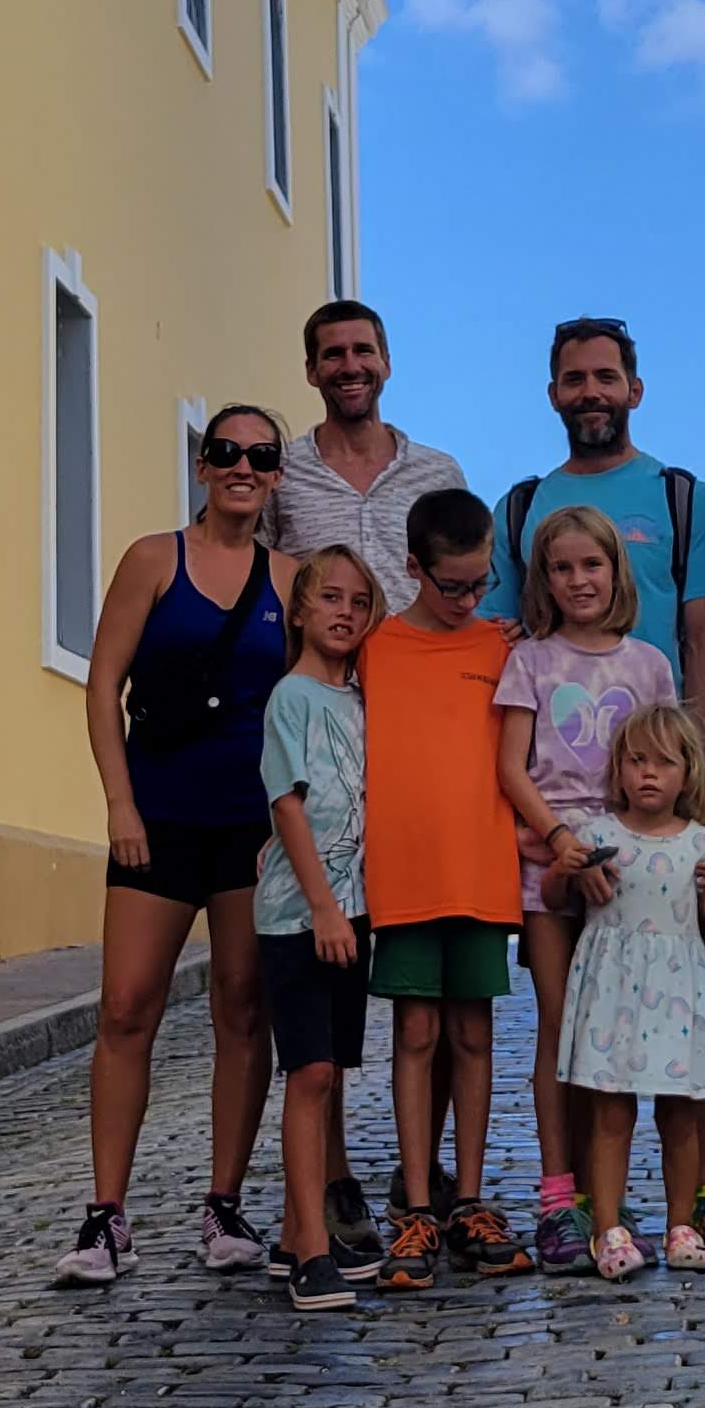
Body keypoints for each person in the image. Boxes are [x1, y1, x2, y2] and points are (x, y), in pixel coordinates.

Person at [65, 404, 292, 1285]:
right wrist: (119, 803)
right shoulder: (153, 560)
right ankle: (105, 1215)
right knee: (127, 1006)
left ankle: (225, 1203)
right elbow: (101, 685)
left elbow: (335, 678)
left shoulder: (292, 577)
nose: (242, 466)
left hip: (253, 826)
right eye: (227, 451)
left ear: (276, 473)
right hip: (156, 816)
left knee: (243, 1007)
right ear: (203, 465)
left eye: (260, 455)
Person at [490, 503, 680, 1277]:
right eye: (562, 568)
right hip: (549, 863)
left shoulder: (649, 666)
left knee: (619, 1034)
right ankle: (557, 1195)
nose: (578, 580)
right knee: (561, 1025)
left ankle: (610, 1195)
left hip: (630, 868)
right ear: (544, 579)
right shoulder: (530, 661)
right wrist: (561, 842)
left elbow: (671, 766)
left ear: (615, 571)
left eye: (591, 565)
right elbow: (510, 766)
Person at [355, 487, 534, 1288]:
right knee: (415, 1036)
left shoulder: (503, 646)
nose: (468, 599)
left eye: (480, 582)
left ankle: (469, 1199)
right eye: (451, 585)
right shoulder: (377, 648)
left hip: (481, 871)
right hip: (403, 875)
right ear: (413, 569)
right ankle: (416, 1206)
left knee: (474, 1037)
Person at [559, 706, 705, 1282]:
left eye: (664, 761)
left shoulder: (701, 842)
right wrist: (565, 871)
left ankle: (680, 1223)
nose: (649, 773)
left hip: (678, 994)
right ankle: (607, 1227)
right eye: (638, 760)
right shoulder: (597, 836)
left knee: (681, 1116)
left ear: (688, 772)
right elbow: (555, 891)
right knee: (611, 1114)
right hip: (615, 994)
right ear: (619, 769)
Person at [253, 545, 387, 1314]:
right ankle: (310, 1253)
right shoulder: (291, 698)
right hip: (299, 916)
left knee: (330, 1071)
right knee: (307, 1074)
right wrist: (324, 907)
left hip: (354, 911)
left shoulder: (363, 699)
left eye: (359, 602)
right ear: (299, 610)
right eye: (330, 598)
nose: (344, 612)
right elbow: (289, 804)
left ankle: (291, 1232)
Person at [485, 319, 705, 733]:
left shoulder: (686, 500)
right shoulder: (518, 509)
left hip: (654, 755)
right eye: (574, 379)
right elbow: (493, 638)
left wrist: (697, 763)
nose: (590, 392)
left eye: (606, 377)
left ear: (634, 391)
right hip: (550, 766)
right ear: (553, 395)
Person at [273, 300, 469, 616]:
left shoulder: (439, 474)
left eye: (363, 350)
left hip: (416, 663)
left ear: (386, 364)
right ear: (311, 371)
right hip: (314, 664)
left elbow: (467, 579)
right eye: (334, 354)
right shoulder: (281, 471)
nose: (351, 367)